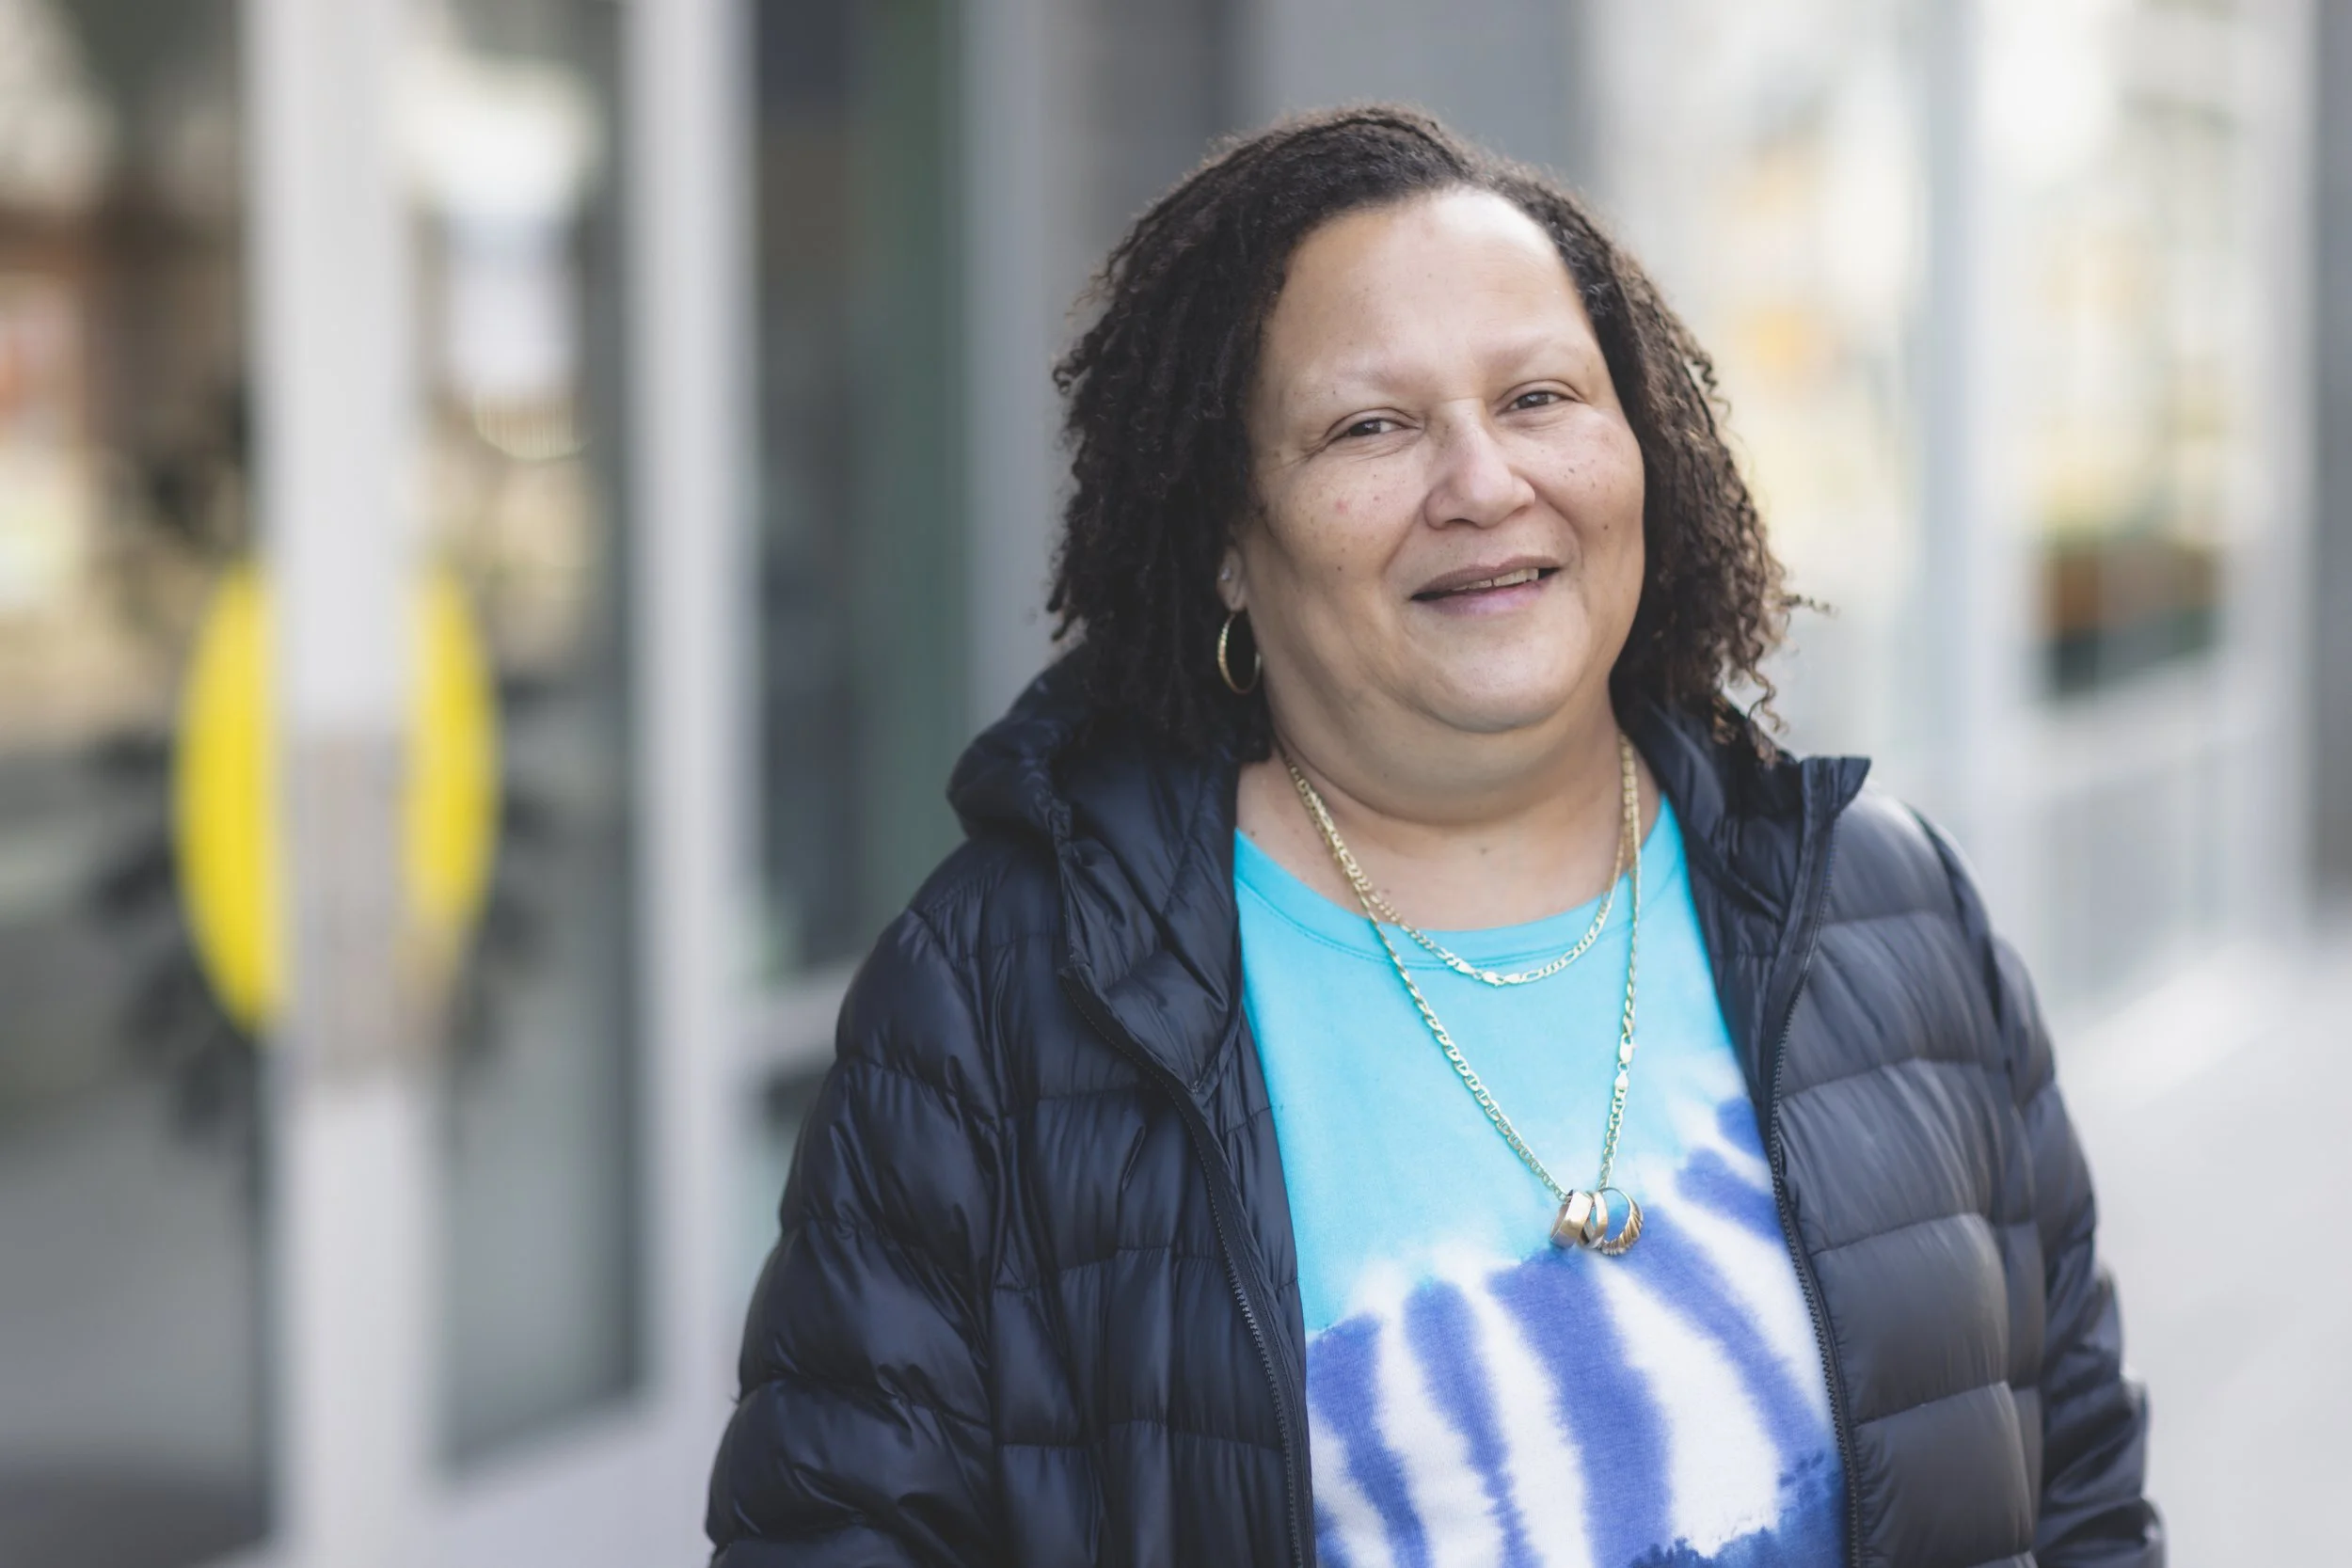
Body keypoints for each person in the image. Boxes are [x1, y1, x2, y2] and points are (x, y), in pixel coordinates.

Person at [707, 107, 2161, 1568]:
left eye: (1538, 397)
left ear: (1640, 449)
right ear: (1228, 539)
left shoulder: (1884, 903)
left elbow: (2081, 1491)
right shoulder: (995, 993)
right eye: (1371, 426)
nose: (1482, 482)